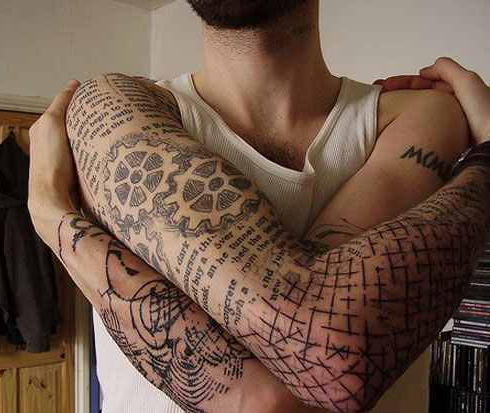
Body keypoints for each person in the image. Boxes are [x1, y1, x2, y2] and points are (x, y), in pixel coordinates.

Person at [28, 2, 490, 412]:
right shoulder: (112, 107)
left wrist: (57, 223)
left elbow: (319, 361)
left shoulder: (422, 114)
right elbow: (279, 389)